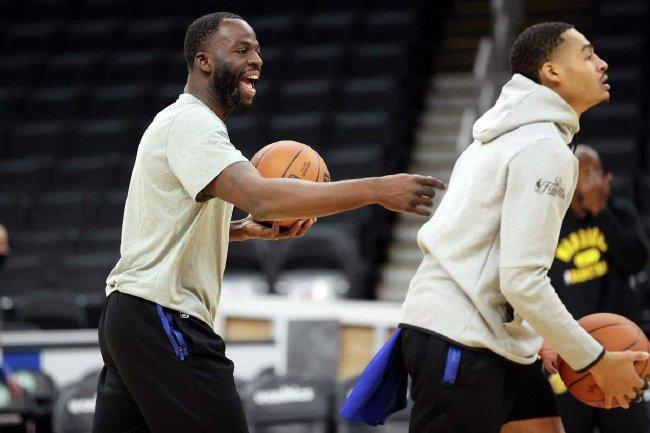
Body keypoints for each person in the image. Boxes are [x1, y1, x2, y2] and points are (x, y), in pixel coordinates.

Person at [91, 12, 445, 433]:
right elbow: (260, 196)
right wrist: (378, 190)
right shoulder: (192, 124)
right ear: (204, 61)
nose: (256, 59)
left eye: (258, 50)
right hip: (162, 316)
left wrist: (243, 230)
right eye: (241, 50)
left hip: (129, 315)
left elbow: (163, 223)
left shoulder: (187, 126)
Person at [397, 22, 648, 433]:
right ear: (552, 72)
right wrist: (594, 359)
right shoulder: (542, 148)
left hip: (493, 338)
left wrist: (536, 333)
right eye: (587, 54)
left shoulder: (507, 136)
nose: (602, 63)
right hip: (461, 337)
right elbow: (522, 280)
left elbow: (493, 257)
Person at [544, 144, 648, 433]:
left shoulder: (621, 212)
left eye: (596, 171)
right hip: (571, 358)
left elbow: (635, 260)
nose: (591, 178)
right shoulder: (552, 224)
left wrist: (600, 211)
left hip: (620, 354)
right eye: (583, 171)